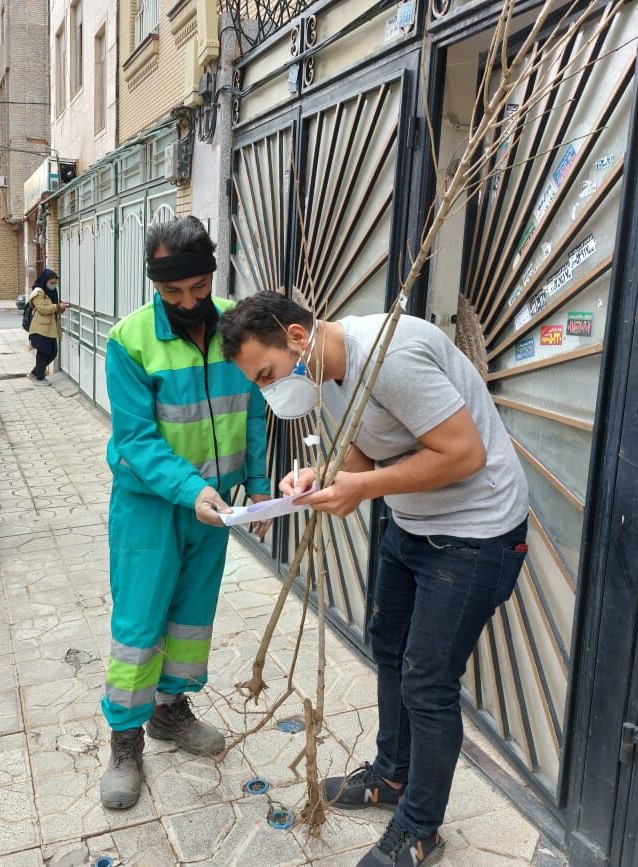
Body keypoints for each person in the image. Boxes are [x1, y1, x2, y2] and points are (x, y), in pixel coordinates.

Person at [218, 291, 530, 867]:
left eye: (267, 375)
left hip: (476, 533)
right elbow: (370, 439)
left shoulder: (391, 356)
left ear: (295, 336)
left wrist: (362, 488)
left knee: (427, 682)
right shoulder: (326, 370)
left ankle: (420, 827)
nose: (269, 391)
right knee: (388, 647)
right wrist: (326, 474)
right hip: (417, 523)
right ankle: (391, 776)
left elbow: (464, 454)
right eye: (257, 383)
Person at [100, 216, 273, 811]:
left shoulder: (235, 327)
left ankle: (170, 712)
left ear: (211, 275)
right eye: (173, 293)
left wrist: (258, 483)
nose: (188, 302)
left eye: (198, 288)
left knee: (192, 616)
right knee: (140, 624)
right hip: (151, 507)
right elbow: (136, 440)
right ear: (155, 284)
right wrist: (188, 488)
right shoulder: (129, 340)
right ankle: (125, 739)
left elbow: (253, 406)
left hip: (215, 508)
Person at [26, 268, 67, 384]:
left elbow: (55, 310)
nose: (54, 285)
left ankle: (35, 373)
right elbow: (42, 309)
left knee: (53, 353)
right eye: (51, 283)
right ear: (45, 281)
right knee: (43, 352)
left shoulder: (52, 293)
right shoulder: (38, 293)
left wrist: (61, 307)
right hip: (40, 328)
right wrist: (58, 306)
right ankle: (40, 378)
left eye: (55, 283)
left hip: (50, 328)